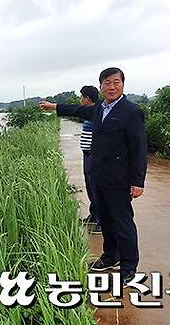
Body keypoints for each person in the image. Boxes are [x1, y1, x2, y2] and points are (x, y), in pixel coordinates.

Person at [39, 67, 147, 286]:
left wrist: (138, 181)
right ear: (101, 86)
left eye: (116, 82)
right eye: (107, 83)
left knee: (123, 222)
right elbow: (78, 110)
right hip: (99, 176)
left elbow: (139, 148)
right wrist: (55, 106)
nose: (112, 87)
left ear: (123, 85)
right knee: (105, 219)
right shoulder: (99, 109)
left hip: (119, 179)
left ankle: (129, 267)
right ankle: (110, 255)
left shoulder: (131, 111)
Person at [77, 85, 101, 235]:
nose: (80, 100)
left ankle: (101, 221)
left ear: (87, 98)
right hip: (87, 154)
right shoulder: (88, 114)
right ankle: (94, 215)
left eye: (81, 97)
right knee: (89, 185)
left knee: (95, 187)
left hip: (94, 155)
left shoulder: (96, 112)